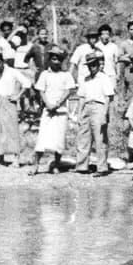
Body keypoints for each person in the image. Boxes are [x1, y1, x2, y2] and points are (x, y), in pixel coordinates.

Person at [31, 46, 75, 174]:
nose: (56, 62)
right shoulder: (45, 74)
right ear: (50, 60)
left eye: (58, 60)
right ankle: (36, 166)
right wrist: (48, 104)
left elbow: (69, 91)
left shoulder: (66, 75)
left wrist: (57, 104)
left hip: (60, 110)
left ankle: (56, 164)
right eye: (54, 59)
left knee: (59, 139)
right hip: (48, 110)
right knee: (42, 139)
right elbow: (41, 91)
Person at [73, 51, 114, 175]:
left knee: (100, 139)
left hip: (99, 107)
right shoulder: (85, 79)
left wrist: (105, 115)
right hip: (87, 107)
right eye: (90, 65)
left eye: (94, 64)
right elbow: (81, 97)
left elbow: (108, 98)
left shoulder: (104, 78)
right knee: (83, 137)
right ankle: (82, 166)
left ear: (98, 64)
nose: (92, 67)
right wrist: (79, 114)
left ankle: (101, 168)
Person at [0, 52, 24, 166]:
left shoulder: (12, 72)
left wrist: (17, 96)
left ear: (3, 61)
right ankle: (1, 157)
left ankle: (16, 158)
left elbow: (27, 83)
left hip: (9, 102)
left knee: (12, 130)